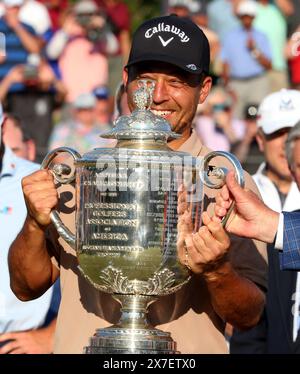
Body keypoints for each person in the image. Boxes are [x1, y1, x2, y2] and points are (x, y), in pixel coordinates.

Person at [8, 14, 267, 354]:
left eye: (176, 82)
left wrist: (218, 272)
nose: (158, 95)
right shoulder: (80, 174)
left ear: (203, 90)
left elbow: (250, 314)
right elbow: (26, 287)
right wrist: (33, 223)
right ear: (126, 79)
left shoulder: (226, 183)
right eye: (146, 79)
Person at [230, 90, 300, 353]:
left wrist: (275, 227)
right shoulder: (238, 193)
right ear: (260, 140)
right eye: (278, 133)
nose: (287, 143)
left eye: (295, 131)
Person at [0, 105, 56, 354]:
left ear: (2, 127)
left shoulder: (39, 181)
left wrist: (52, 335)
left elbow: (78, 270)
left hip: (16, 343)